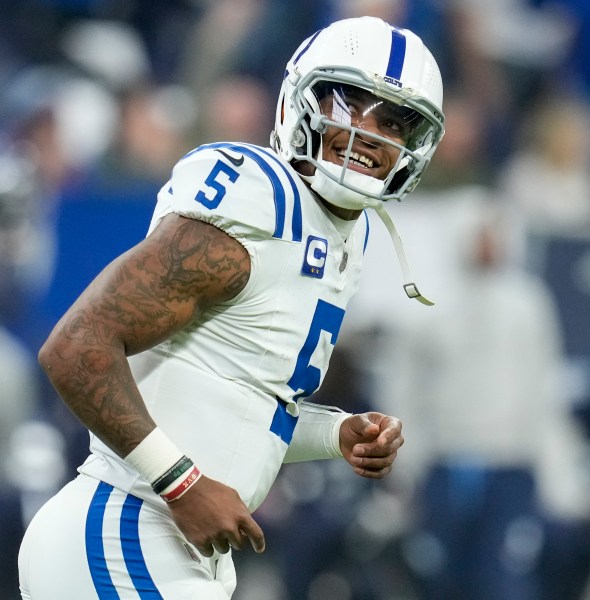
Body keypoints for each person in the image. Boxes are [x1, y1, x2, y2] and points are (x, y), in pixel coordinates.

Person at [18, 16, 445, 599]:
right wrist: (182, 486)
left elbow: (244, 408)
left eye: (394, 121)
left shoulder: (348, 236)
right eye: (349, 106)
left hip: (176, 546)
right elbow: (75, 346)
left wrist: (336, 434)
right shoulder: (261, 199)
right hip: (126, 528)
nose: (370, 132)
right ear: (302, 103)